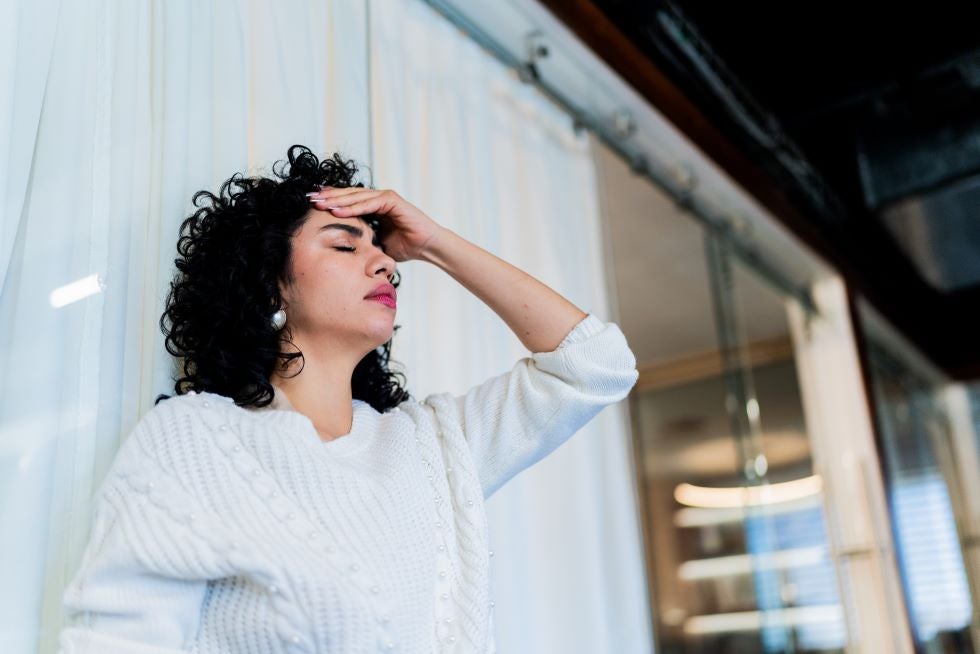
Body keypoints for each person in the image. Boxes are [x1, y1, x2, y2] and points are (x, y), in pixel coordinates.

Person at [57, 145, 639, 653]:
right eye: (343, 245)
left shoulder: (434, 446)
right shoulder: (197, 441)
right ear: (271, 284)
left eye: (383, 250)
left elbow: (597, 365)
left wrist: (434, 244)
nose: (384, 262)